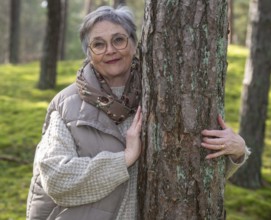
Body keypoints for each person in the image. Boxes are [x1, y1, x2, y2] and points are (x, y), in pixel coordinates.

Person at [26, 5, 250, 220]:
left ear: (135, 43)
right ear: (89, 53)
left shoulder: (164, 94)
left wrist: (236, 152)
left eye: (118, 40)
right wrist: (123, 159)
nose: (110, 50)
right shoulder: (67, 105)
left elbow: (193, 171)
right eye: (99, 44)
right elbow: (55, 178)